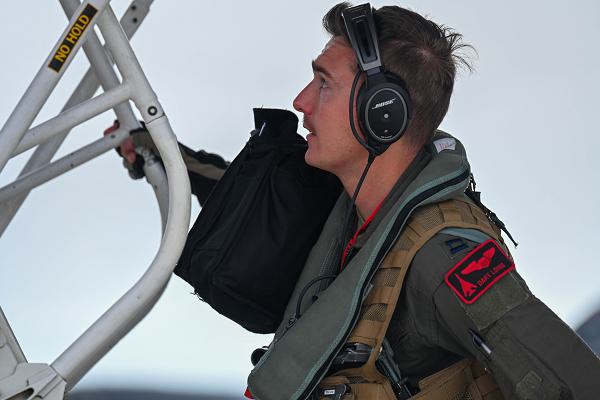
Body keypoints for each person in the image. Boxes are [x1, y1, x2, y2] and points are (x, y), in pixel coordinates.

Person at [112, 3, 600, 399]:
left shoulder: (446, 254)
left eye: (324, 82)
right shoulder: (351, 214)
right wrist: (162, 151)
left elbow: (574, 381)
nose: (301, 100)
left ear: (381, 113)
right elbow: (250, 207)